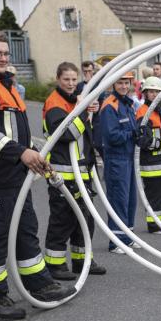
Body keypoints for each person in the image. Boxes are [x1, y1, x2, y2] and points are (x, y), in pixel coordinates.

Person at [0, 29, 76, 319]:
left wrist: (34, 151)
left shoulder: (2, 83)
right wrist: (22, 154)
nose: (2, 58)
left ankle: (39, 285)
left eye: (6, 53)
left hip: (12, 175)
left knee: (25, 229)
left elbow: (15, 131)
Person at [42, 62, 107, 278]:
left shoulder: (73, 101)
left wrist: (91, 112)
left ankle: (82, 261)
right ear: (58, 79)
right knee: (62, 220)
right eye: (66, 79)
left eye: (73, 79)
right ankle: (55, 264)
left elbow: (85, 135)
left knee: (84, 219)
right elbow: (67, 134)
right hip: (63, 174)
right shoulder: (55, 104)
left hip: (80, 172)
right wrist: (82, 111)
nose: (71, 84)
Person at [100, 71, 139, 253]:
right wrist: (133, 134)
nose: (124, 86)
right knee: (118, 200)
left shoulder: (128, 104)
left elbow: (132, 129)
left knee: (130, 200)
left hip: (128, 158)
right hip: (116, 159)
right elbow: (111, 136)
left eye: (126, 83)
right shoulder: (110, 105)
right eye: (120, 83)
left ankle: (127, 236)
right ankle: (116, 241)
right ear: (113, 85)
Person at [135, 76, 161, 233]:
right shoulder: (143, 112)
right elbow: (144, 141)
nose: (154, 94)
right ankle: (154, 225)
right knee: (154, 196)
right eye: (151, 91)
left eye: (157, 92)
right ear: (145, 93)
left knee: (160, 196)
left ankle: (159, 222)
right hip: (151, 163)